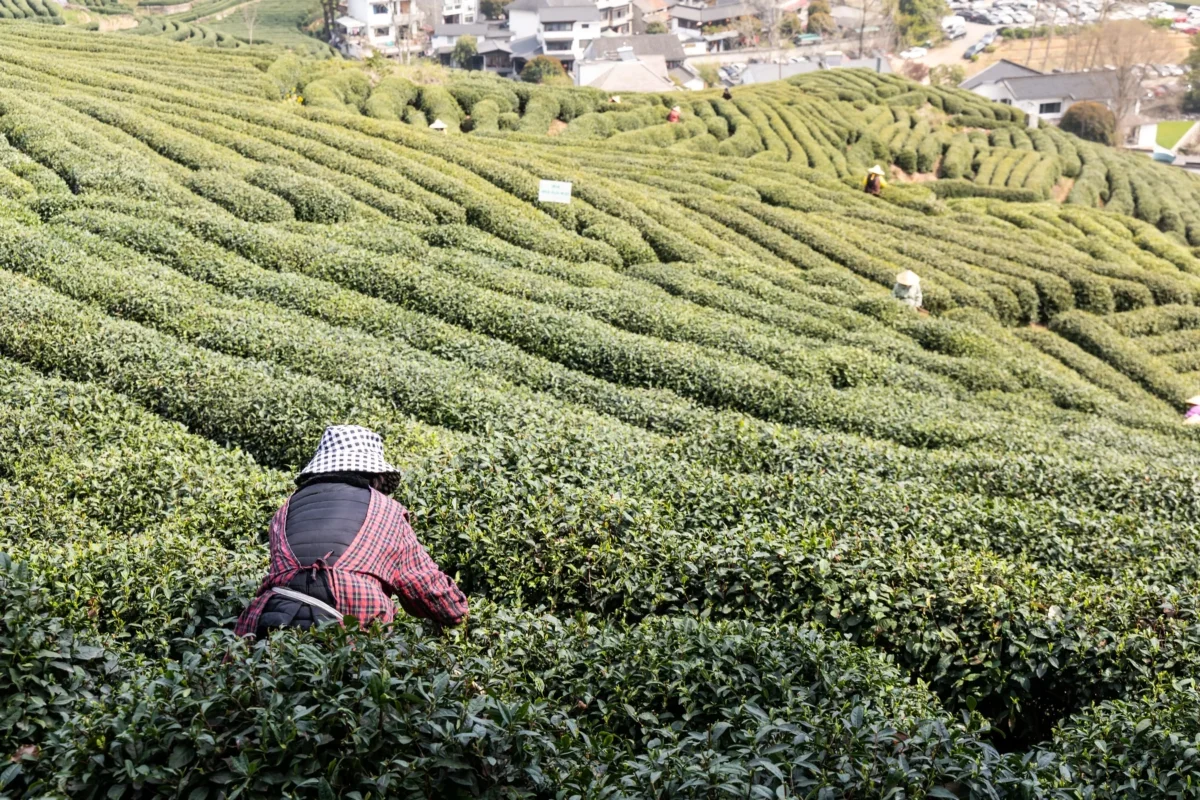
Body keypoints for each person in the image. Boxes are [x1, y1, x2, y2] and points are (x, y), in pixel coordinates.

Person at [235, 425, 468, 640]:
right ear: (374, 478)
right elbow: (422, 584)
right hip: (353, 615)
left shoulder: (285, 509)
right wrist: (458, 614)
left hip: (273, 616)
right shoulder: (385, 509)